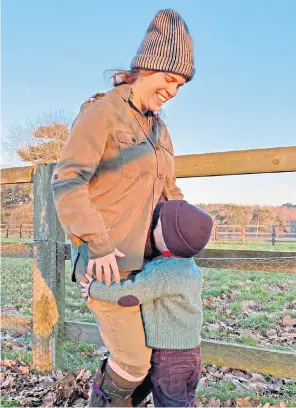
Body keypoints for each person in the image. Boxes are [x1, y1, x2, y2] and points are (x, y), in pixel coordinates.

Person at [51, 8, 195, 406]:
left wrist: (191, 229)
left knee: (153, 359)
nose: (174, 91)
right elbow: (67, 179)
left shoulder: (159, 129)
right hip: (108, 264)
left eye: (181, 85)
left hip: (152, 268)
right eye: (170, 79)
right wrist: (96, 243)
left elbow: (169, 190)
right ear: (147, 67)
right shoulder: (101, 113)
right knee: (132, 361)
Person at [80, 200, 213, 407]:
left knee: (169, 403)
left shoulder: (162, 273)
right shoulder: (190, 266)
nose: (153, 228)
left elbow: (130, 294)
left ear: (170, 239)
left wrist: (93, 289)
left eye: (157, 226)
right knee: (185, 401)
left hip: (169, 358)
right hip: (192, 354)